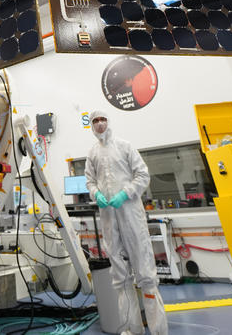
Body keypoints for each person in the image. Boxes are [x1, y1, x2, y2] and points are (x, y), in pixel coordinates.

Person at [85, 112, 168, 335]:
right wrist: (96, 194)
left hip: (131, 214)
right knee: (120, 278)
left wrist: (126, 193)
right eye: (95, 121)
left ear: (108, 121)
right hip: (109, 218)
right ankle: (132, 329)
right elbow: (89, 181)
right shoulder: (92, 153)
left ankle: (158, 330)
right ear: (91, 125)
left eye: (102, 119)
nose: (99, 124)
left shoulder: (124, 146)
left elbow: (143, 175)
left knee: (146, 275)